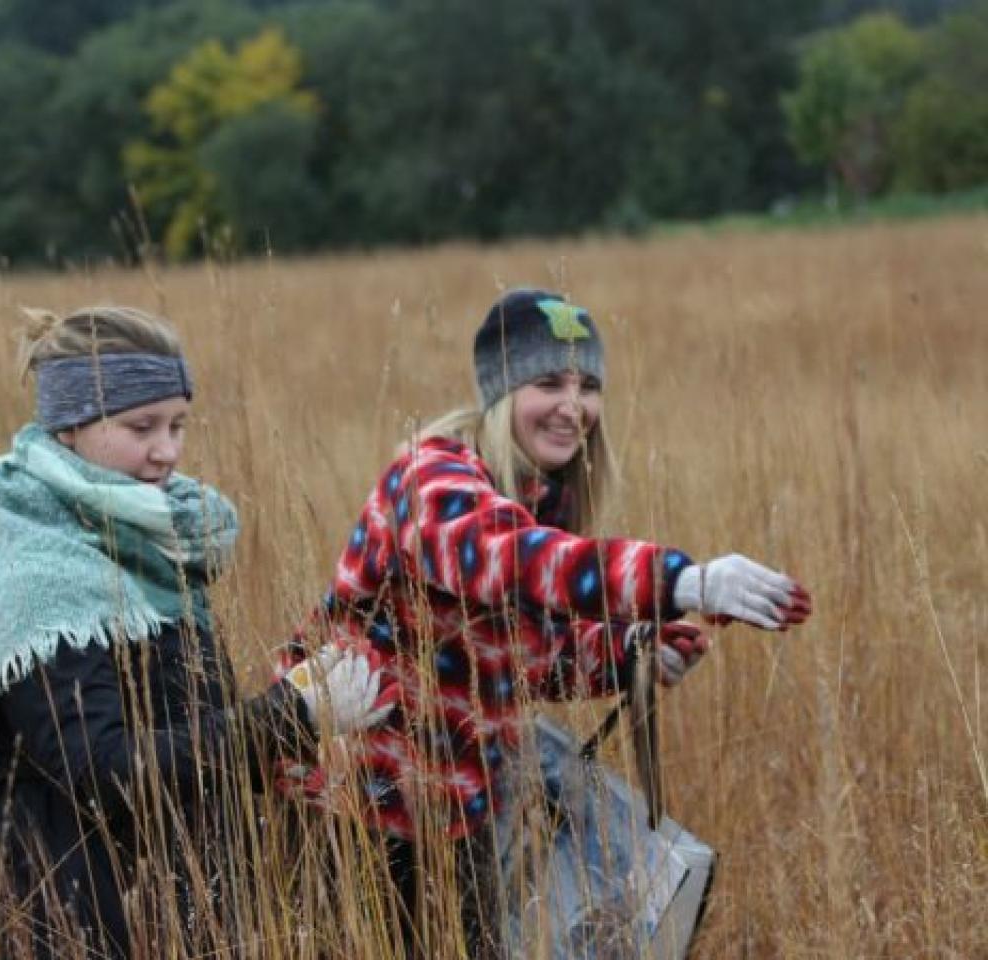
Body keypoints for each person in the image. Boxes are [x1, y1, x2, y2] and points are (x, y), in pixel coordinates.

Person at [277, 288, 813, 958]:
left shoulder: (532, 498)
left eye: (588, 385)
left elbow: (527, 660)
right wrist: (685, 581)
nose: (573, 406)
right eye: (549, 382)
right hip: (353, 815)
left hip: (459, 819)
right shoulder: (433, 481)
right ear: (500, 392)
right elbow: (521, 562)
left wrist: (630, 655)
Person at [0, 305, 386, 960]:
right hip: (69, 914)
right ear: (69, 425)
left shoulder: (151, 544)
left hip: (176, 905)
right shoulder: (32, 572)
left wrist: (300, 723)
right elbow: (100, 768)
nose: (167, 451)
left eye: (178, 425)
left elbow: (184, 725)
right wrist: (286, 712)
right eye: (141, 426)